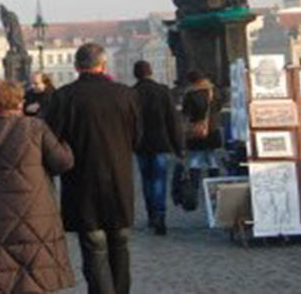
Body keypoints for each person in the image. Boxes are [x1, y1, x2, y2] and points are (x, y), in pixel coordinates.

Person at [0, 80, 76, 293]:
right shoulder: (36, 127)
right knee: (37, 273)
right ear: (19, 102)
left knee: (3, 275)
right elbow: (62, 163)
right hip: (37, 210)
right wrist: (66, 146)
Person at [46, 43, 140, 294]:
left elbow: (51, 141)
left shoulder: (64, 97)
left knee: (94, 244)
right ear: (103, 64)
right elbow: (137, 137)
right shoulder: (126, 94)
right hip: (119, 179)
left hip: (81, 181)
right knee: (120, 242)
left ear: (77, 67)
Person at [132, 60, 183, 235]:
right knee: (159, 180)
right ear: (151, 72)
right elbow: (173, 120)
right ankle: (161, 215)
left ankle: (151, 214)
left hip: (141, 144)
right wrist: (179, 146)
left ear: (135, 74)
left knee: (146, 180)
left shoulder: (132, 93)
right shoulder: (163, 91)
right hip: (161, 142)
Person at [182, 71, 222, 196]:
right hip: (213, 129)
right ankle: (215, 187)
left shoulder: (191, 94)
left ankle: (194, 188)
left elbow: (186, 112)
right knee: (212, 158)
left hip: (196, 131)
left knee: (195, 159)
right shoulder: (213, 91)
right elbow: (219, 107)